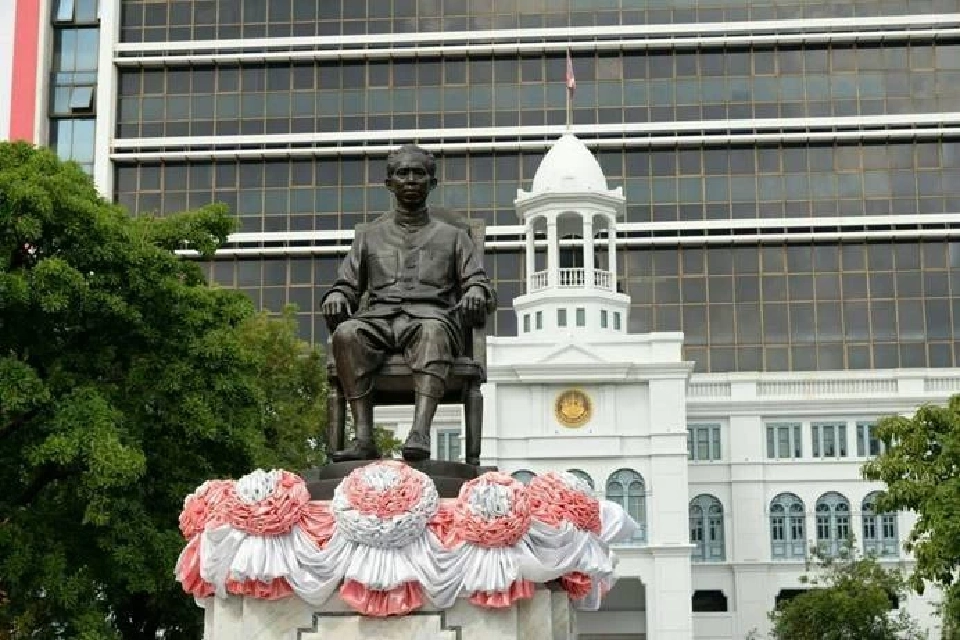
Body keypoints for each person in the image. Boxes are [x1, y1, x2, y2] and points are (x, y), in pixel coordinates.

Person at [320, 144, 495, 462]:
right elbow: (345, 285)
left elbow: (478, 284)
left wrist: (475, 293)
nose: (411, 179)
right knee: (346, 334)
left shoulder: (454, 237)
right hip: (378, 319)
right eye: (403, 173)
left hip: (431, 318)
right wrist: (335, 297)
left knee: (432, 331)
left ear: (432, 182)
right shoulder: (369, 237)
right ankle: (363, 439)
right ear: (389, 183)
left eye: (419, 173)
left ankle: (420, 433)